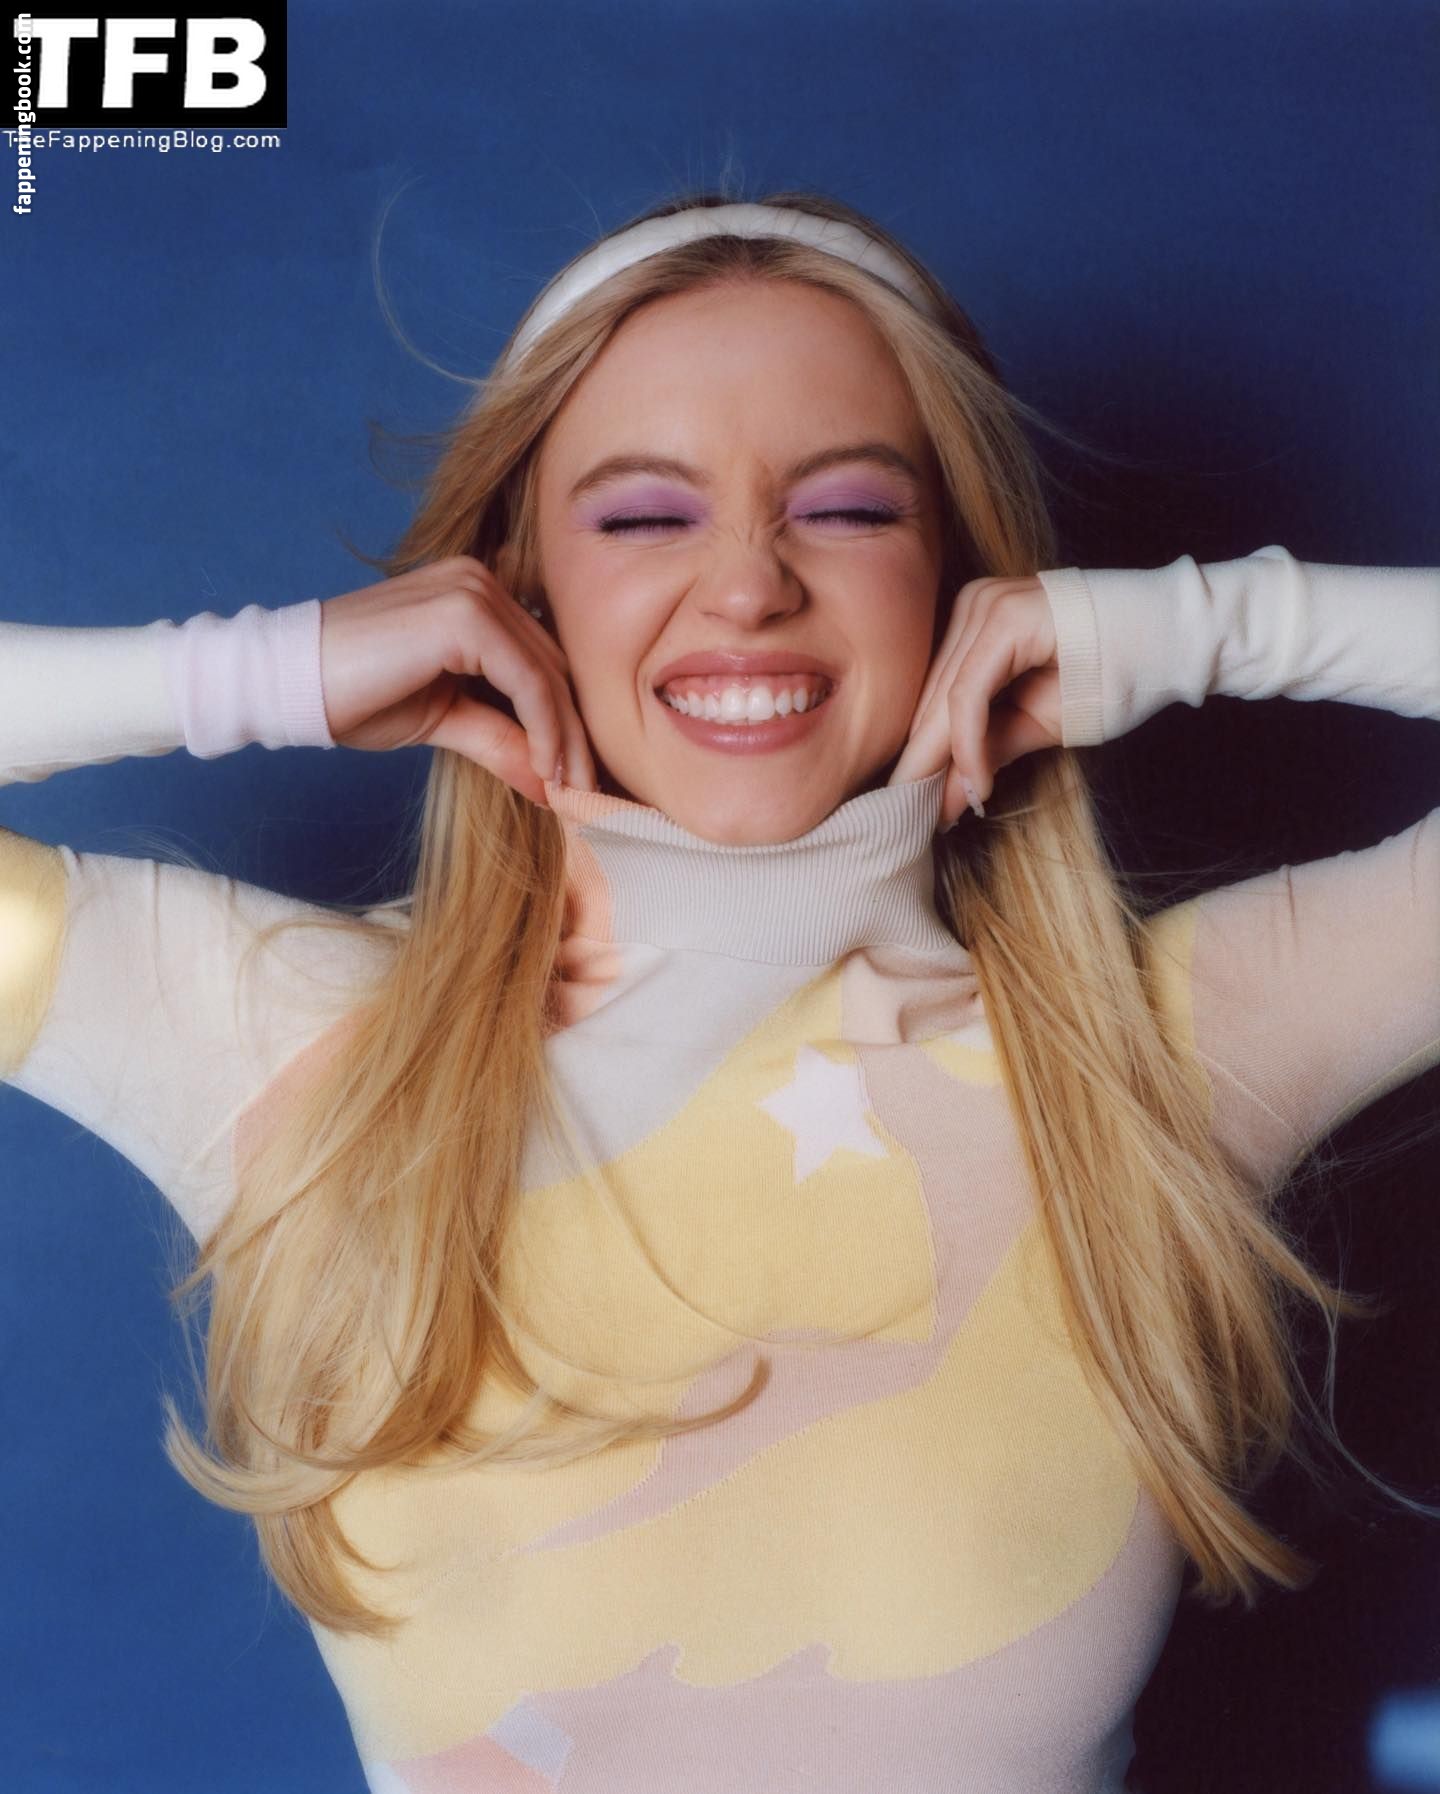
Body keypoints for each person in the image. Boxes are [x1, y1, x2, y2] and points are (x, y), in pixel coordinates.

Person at [1, 187, 1436, 1794]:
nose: (748, 585)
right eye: (640, 518)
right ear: (518, 585)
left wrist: (1202, 626)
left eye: (849, 508)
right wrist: (251, 672)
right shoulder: (302, 1042)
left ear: (966, 574)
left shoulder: (1146, 1050)